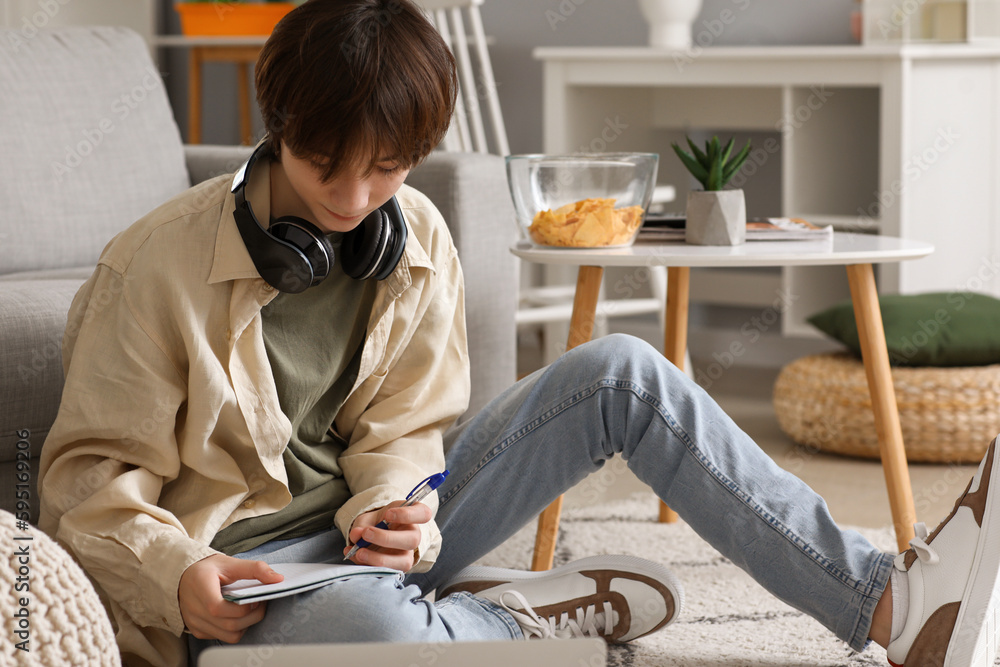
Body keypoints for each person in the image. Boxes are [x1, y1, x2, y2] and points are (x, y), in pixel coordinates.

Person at [37, 1, 1000, 666]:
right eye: (325, 164)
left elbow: (408, 429)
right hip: (243, 590)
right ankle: (509, 617)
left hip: (378, 547)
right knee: (376, 633)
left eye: (386, 171)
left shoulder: (413, 237)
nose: (352, 198)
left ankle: (884, 600)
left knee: (625, 371)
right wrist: (180, 575)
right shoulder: (152, 265)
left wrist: (401, 504)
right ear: (277, 122)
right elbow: (83, 489)